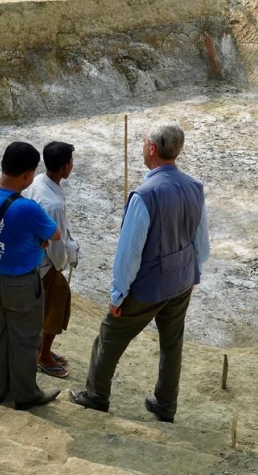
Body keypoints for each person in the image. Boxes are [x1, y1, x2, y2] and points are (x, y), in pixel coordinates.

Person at [70, 122, 210, 423]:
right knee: (172, 344)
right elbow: (202, 241)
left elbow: (129, 254)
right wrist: (193, 272)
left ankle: (96, 396)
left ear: (152, 149)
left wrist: (118, 294)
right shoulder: (195, 187)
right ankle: (165, 404)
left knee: (109, 336)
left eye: (144, 143)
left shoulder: (145, 195)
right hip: (182, 280)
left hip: (149, 286)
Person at [0, 141, 63, 410]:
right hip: (20, 283)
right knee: (24, 340)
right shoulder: (26, 208)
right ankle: (24, 394)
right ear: (26, 174)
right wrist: (37, 240)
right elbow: (54, 234)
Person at [21, 141, 80, 379]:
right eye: (71, 162)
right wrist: (62, 264)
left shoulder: (37, 182)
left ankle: (41, 349)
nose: (72, 166)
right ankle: (43, 356)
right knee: (55, 309)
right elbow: (56, 243)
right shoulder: (53, 204)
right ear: (66, 166)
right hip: (47, 264)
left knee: (44, 308)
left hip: (36, 257)